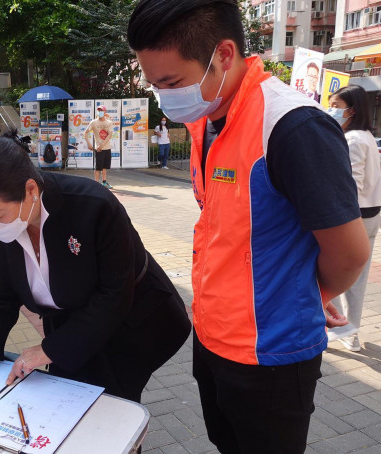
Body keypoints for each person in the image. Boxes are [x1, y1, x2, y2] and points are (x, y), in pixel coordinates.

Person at [128, 1, 369, 453]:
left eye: (171, 82)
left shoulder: (293, 127)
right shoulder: (209, 119)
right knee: (226, 442)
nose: (163, 97)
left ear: (223, 53)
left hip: (271, 356)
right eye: (153, 83)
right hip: (212, 338)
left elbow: (350, 253)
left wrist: (307, 294)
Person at [0, 131, 191, 403]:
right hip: (70, 325)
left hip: (130, 322)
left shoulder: (93, 206)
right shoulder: (3, 227)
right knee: (67, 399)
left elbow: (114, 295)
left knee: (113, 406)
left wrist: (49, 349)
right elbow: (4, 294)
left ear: (30, 190)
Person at [326, 85, 381, 352]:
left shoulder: (354, 139)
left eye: (336, 105)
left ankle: (342, 328)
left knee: (337, 274)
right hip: (371, 214)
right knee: (356, 279)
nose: (331, 110)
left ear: (352, 110)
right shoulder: (367, 136)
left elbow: (353, 184)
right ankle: (350, 333)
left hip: (356, 217)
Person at [84, 105, 114, 189]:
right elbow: (85, 133)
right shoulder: (93, 122)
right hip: (99, 149)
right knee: (98, 167)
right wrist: (89, 144)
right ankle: (96, 184)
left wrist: (102, 145)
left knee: (105, 167)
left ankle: (104, 182)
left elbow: (109, 135)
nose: (100, 112)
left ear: (105, 112)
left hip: (107, 148)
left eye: (102, 110)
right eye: (99, 110)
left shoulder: (109, 123)